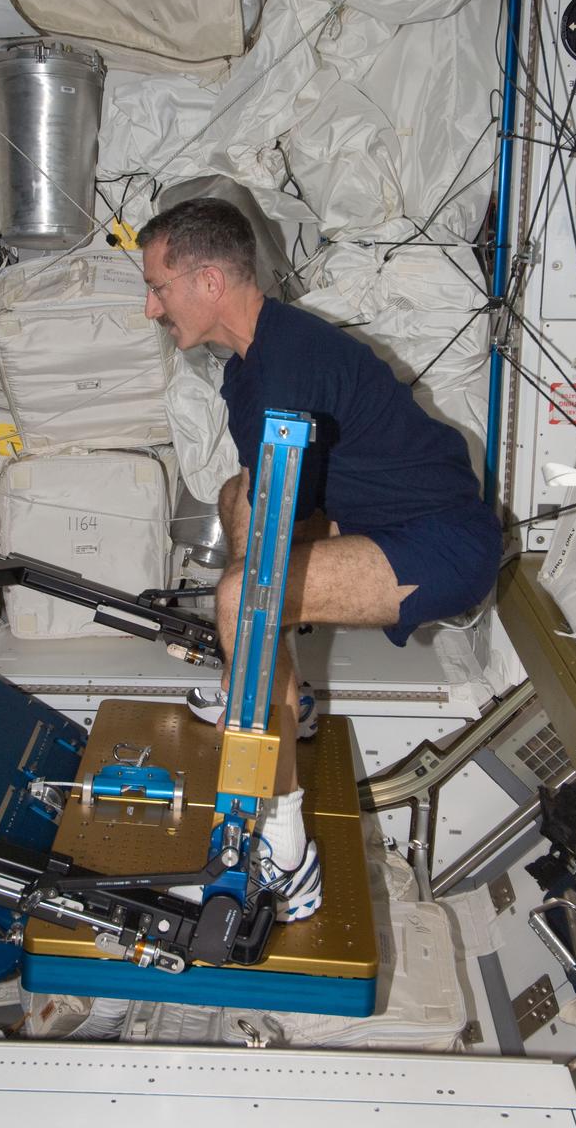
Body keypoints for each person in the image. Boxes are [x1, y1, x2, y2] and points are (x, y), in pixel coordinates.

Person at [138, 197, 502, 922]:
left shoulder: (283, 369)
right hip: (399, 519)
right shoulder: (256, 363)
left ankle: (285, 847)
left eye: (158, 287)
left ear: (209, 282)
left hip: (445, 544)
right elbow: (270, 510)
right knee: (235, 495)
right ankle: (285, 701)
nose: (151, 309)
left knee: (243, 600)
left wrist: (244, 634)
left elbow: (266, 568)